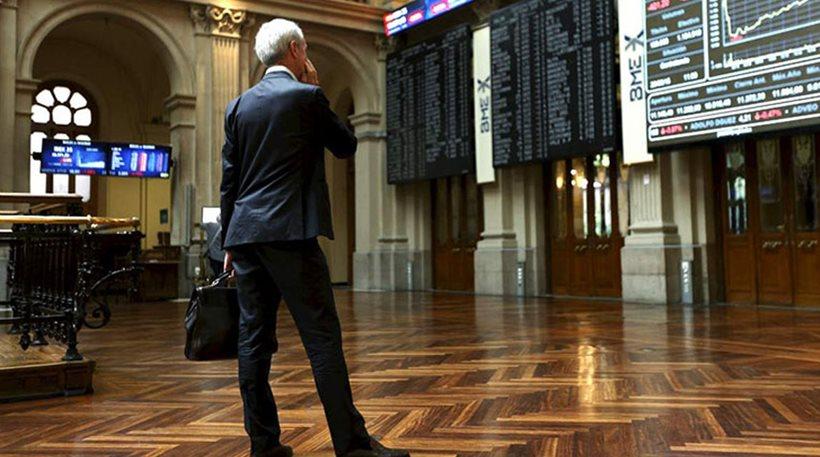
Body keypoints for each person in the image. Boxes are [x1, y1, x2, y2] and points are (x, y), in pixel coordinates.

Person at [220, 18, 410, 457]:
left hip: (245, 237)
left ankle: (264, 446)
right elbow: (345, 145)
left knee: (253, 343)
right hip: (290, 233)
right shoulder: (306, 96)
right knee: (322, 340)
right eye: (304, 49)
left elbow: (229, 180)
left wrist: (227, 240)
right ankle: (353, 446)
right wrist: (316, 88)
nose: (306, 56)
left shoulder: (237, 106)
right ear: (294, 50)